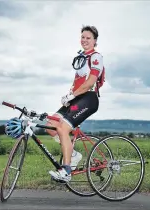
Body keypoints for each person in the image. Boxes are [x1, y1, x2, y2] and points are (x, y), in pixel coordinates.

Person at [46, 25, 105, 182]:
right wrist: (70, 95)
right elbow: (78, 83)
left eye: (88, 38)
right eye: (83, 37)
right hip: (77, 98)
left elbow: (89, 83)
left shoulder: (96, 57)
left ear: (95, 41)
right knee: (51, 125)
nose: (84, 40)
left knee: (63, 128)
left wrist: (71, 95)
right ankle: (73, 154)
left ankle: (66, 171)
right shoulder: (81, 57)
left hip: (89, 98)